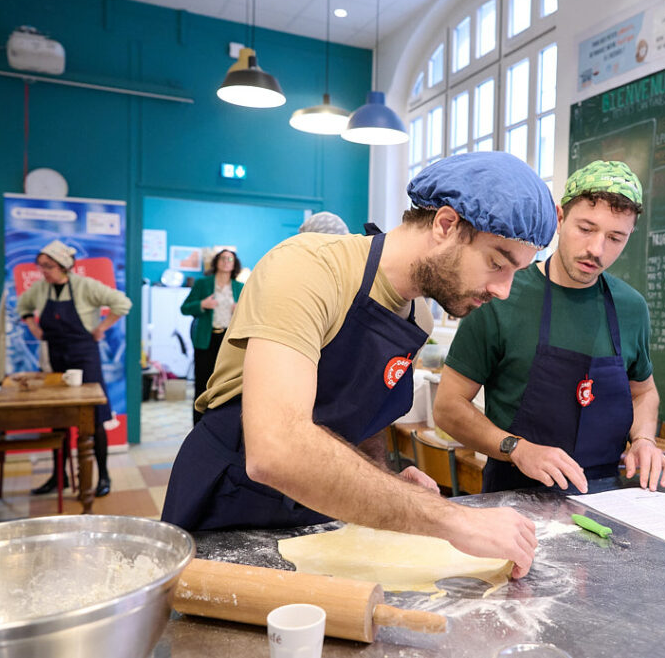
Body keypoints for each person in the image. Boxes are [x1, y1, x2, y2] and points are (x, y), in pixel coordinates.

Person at [162, 151, 557, 578]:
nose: (503, 289)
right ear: (445, 225)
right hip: (232, 505)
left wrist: (384, 478)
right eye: (497, 263)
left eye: (517, 271)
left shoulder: (417, 316)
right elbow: (276, 450)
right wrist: (451, 519)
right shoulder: (310, 268)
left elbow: (359, 424)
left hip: (321, 512)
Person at [434, 161, 665, 494]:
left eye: (615, 238)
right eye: (586, 228)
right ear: (560, 218)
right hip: (513, 500)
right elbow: (449, 407)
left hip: (609, 499)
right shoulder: (500, 293)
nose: (597, 249)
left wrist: (644, 439)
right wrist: (516, 448)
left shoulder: (631, 307)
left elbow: (644, 392)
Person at [17, 240, 132, 498]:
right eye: (41, 266)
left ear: (63, 266)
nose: (43, 271)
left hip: (84, 356)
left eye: (48, 266)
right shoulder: (39, 289)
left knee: (95, 416)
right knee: (58, 418)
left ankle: (102, 475)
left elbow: (122, 303)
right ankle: (59, 477)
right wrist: (33, 326)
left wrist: (101, 328)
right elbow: (23, 306)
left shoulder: (85, 286)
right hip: (55, 358)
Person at [182, 249, 244, 425]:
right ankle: (198, 426)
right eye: (223, 258)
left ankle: (220, 425)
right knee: (202, 384)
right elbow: (185, 308)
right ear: (216, 262)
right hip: (206, 340)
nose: (226, 261)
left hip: (229, 342)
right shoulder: (203, 284)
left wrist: (239, 309)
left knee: (226, 385)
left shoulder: (240, 287)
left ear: (234, 264)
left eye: (230, 259)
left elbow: (249, 314)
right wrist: (202, 304)